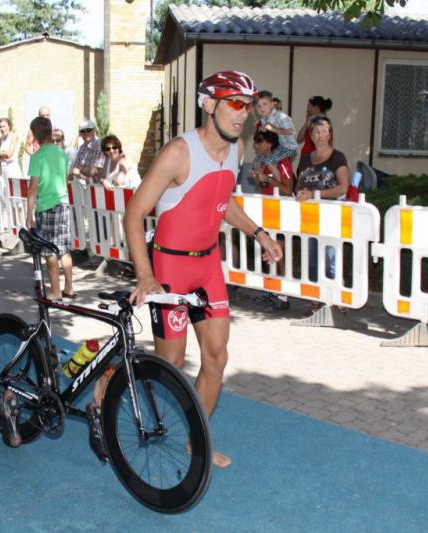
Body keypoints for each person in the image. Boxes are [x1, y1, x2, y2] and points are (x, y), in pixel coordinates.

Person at [123, 70, 283, 468]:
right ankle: (113, 380)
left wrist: (259, 233)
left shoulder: (237, 148)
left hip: (208, 265)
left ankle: (197, 442)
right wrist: (145, 275)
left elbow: (222, 200)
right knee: (171, 365)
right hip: (170, 267)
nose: (243, 113)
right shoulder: (179, 152)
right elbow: (134, 214)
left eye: (248, 106)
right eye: (235, 103)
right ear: (209, 104)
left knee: (216, 358)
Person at [295, 117, 350, 285]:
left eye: (324, 132)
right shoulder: (305, 159)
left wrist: (313, 194)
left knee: (330, 261)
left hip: (331, 216)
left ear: (330, 134)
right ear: (311, 136)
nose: (321, 136)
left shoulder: (337, 157)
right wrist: (300, 193)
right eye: (317, 132)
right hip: (310, 217)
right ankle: (315, 297)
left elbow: (343, 188)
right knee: (312, 261)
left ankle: (335, 295)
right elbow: (298, 185)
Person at [25, 116, 74, 302]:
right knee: (64, 248)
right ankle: (69, 287)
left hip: (46, 206)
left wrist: (29, 214)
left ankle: (55, 291)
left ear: (36, 133)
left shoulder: (37, 157)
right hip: (63, 203)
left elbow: (32, 189)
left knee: (49, 250)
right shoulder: (61, 153)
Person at [250, 129, 293, 310]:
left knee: (278, 250)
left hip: (282, 212)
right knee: (267, 249)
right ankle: (272, 290)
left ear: (269, 143)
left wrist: (266, 178)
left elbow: (287, 189)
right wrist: (260, 178)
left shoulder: (282, 162)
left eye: (259, 142)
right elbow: (265, 187)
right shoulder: (264, 162)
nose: (256, 146)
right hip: (268, 211)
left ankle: (283, 296)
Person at [254, 90, 297, 167]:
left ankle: (277, 175)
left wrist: (272, 129)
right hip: (278, 147)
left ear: (272, 104)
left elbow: (291, 131)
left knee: (270, 161)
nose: (262, 108)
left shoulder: (281, 117)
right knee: (258, 160)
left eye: (265, 104)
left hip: (288, 148)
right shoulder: (264, 118)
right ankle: (261, 173)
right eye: (259, 106)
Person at [296, 96, 333, 171]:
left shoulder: (324, 124)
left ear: (316, 108)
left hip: (316, 163)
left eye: (309, 107)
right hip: (305, 160)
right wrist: (307, 121)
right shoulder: (311, 122)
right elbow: (299, 139)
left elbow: (329, 145)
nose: (307, 110)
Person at [68, 120, 105, 184]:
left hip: (98, 186)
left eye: (89, 130)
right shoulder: (82, 147)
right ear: (80, 133)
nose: (86, 133)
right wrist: (81, 173)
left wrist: (80, 170)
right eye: (83, 131)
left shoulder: (100, 144)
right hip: (84, 185)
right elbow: (75, 169)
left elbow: (93, 171)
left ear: (94, 130)